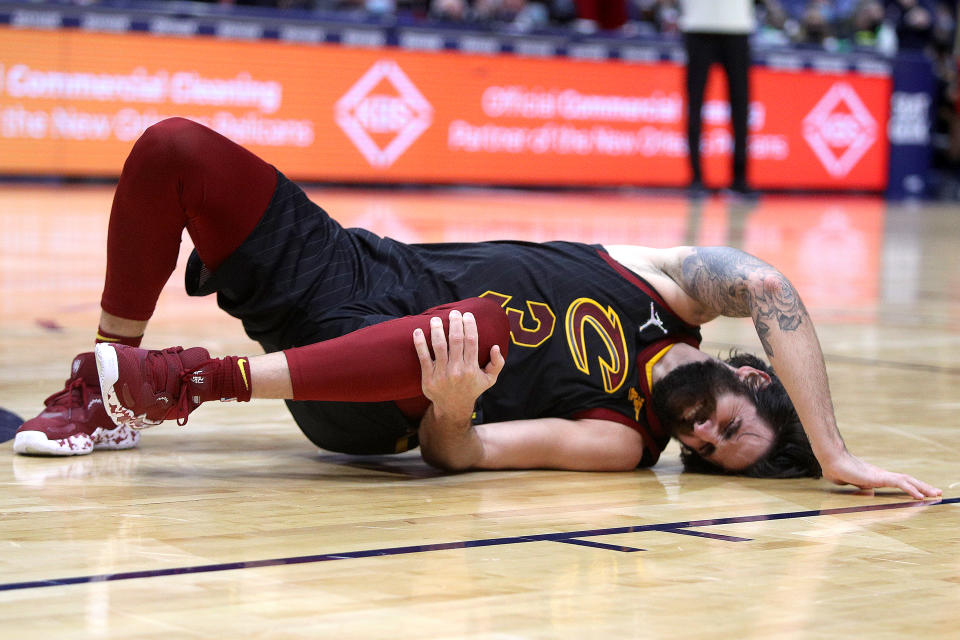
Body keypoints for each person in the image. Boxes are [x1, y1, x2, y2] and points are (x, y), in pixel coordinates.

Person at [14, 118, 940, 500]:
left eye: (704, 454)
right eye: (727, 425)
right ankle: (102, 386)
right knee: (175, 148)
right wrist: (835, 455)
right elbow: (769, 285)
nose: (698, 435)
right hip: (345, 270)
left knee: (483, 328)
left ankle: (184, 384)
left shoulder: (619, 439)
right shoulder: (666, 286)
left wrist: (453, 408)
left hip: (375, 397)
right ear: (747, 374)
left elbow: (463, 454)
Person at [679, 0, 755, 196]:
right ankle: (695, 178)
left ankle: (740, 178)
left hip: (736, 25)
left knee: (740, 105)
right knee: (695, 103)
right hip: (698, 25)